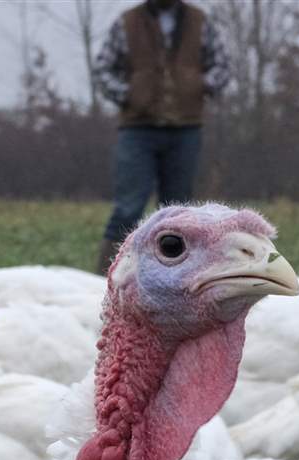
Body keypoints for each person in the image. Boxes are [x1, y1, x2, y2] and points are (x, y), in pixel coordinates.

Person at [93, 0, 231, 273]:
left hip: (185, 129)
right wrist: (128, 94)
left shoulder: (199, 21)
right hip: (137, 130)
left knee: (180, 214)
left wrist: (200, 86)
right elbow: (103, 70)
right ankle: (106, 281)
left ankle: (179, 282)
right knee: (127, 209)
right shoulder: (127, 22)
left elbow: (221, 66)